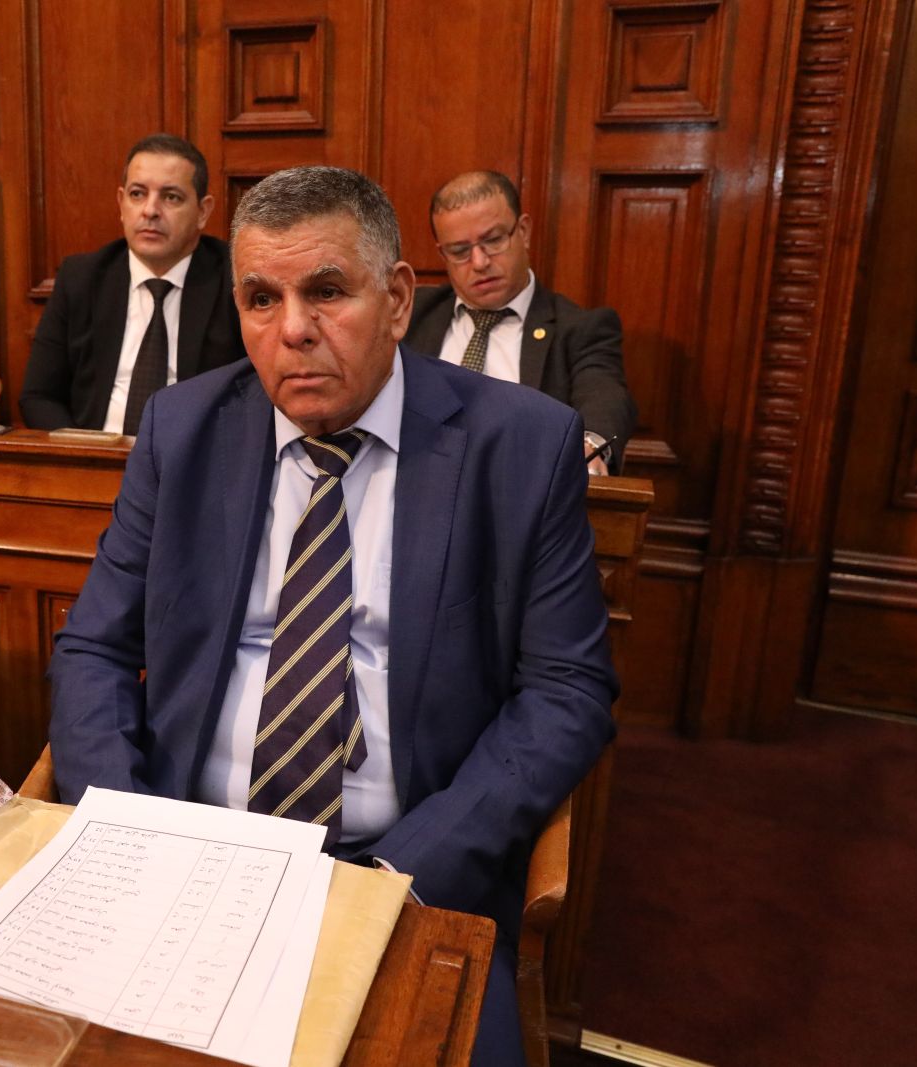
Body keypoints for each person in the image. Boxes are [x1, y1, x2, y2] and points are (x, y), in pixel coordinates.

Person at [48, 165, 617, 1065]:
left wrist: (405, 871)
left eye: (325, 291)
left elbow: (566, 690)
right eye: (260, 299)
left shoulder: (521, 443)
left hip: (404, 867)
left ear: (396, 299)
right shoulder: (181, 428)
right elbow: (94, 648)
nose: (293, 330)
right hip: (188, 850)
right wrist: (132, 830)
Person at [405, 170, 637, 473]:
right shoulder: (409, 313)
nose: (480, 262)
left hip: (517, 488)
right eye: (459, 251)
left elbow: (604, 394)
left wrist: (589, 446)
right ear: (442, 254)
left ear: (523, 231)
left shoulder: (579, 329)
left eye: (493, 240)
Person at [19, 133, 246, 433]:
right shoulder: (82, 278)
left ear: (202, 211)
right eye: (137, 194)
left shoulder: (235, 282)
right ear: (121, 203)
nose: (150, 211)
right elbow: (38, 396)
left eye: (171, 197)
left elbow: (255, 398)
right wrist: (82, 450)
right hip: (94, 451)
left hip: (196, 457)